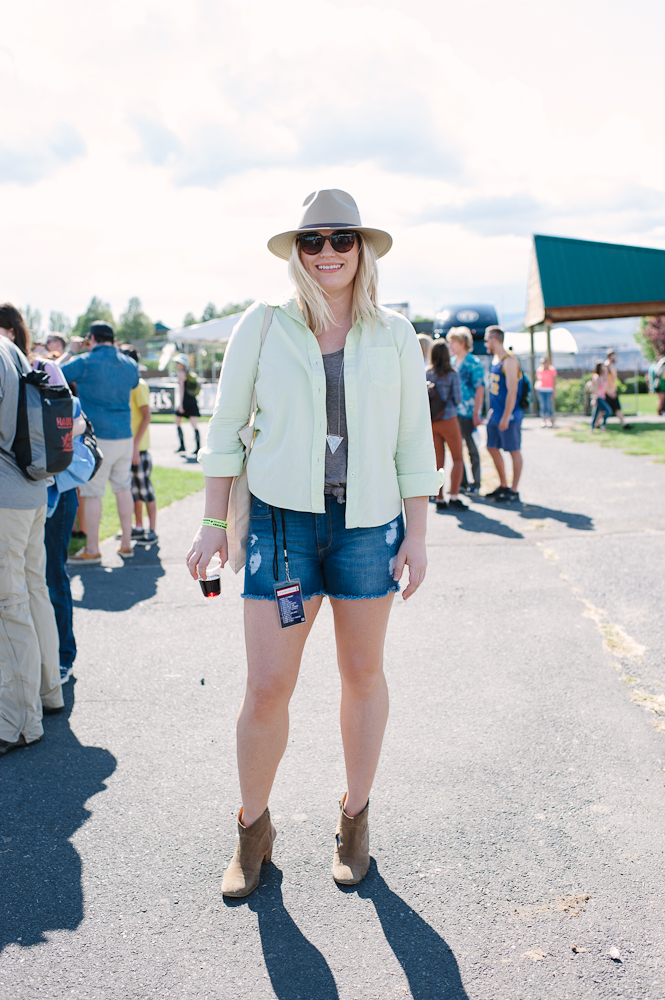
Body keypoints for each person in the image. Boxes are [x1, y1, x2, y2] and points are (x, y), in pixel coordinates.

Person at [186, 189, 438, 897]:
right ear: (295, 252)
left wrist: (417, 535)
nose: (327, 252)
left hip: (368, 526)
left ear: (362, 249)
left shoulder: (393, 333)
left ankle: (355, 820)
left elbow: (412, 440)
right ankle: (252, 830)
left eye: (341, 238)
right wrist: (212, 523)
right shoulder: (263, 325)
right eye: (312, 240)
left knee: (363, 675)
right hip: (280, 527)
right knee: (267, 687)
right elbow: (225, 428)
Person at [0, 305, 63, 756]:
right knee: (33, 590)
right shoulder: (12, 350)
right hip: (33, 487)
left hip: (6, 496)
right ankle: (47, 691)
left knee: (8, 606)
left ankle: (18, 723)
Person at [61, 321, 139, 563]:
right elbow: (134, 382)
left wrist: (72, 350)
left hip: (98, 437)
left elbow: (56, 375)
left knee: (93, 493)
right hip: (124, 434)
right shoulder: (129, 363)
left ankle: (93, 549)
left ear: (91, 339)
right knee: (123, 488)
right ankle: (126, 544)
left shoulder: (85, 361)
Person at [120, 345, 158, 543]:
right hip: (129, 447)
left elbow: (146, 416)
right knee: (133, 492)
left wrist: (135, 446)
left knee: (145, 491)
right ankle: (138, 527)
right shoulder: (127, 385)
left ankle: (152, 530)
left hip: (139, 449)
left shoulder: (139, 385)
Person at [484, 325, 523, 502]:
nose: (485, 344)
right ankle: (503, 485)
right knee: (491, 447)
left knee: (513, 450)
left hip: (510, 415)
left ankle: (513, 490)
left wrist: (506, 416)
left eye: (487, 340)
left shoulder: (509, 361)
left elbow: (512, 391)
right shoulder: (495, 359)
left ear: (494, 340)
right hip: (496, 413)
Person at [427, 340, 466, 510]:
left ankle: (439, 498)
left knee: (438, 462)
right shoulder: (453, 374)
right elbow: (458, 399)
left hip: (433, 422)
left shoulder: (427, 373)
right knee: (457, 458)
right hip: (449, 420)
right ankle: (454, 496)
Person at [447, 326, 484, 494]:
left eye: (453, 342)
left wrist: (477, 412)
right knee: (457, 450)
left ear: (462, 343)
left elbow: (479, 389)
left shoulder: (473, 362)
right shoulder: (452, 362)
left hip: (468, 413)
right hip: (454, 413)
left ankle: (476, 484)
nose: (450, 346)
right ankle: (462, 483)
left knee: (472, 449)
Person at [174, 354, 200, 455]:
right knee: (194, 425)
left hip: (185, 401)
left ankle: (182, 445)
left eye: (178, 363)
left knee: (177, 422)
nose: (176, 364)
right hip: (192, 400)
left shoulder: (181, 373)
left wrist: (181, 405)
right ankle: (198, 446)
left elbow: (182, 389)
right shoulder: (189, 373)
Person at [604, 349, 628, 428]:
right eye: (614, 356)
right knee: (603, 410)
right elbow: (605, 380)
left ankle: (624, 424)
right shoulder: (607, 366)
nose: (615, 357)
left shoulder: (611, 365)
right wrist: (609, 391)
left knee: (617, 408)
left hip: (612, 390)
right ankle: (596, 424)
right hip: (609, 391)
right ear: (610, 356)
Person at [535, 355, 557, 427]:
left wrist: (554, 392)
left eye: (544, 362)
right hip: (541, 390)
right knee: (542, 406)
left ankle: (551, 421)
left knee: (549, 406)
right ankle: (543, 421)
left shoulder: (552, 370)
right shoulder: (539, 370)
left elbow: (554, 382)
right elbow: (538, 379)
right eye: (542, 362)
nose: (543, 364)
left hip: (549, 390)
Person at [590, 362, 611, 431]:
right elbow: (595, 388)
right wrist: (594, 398)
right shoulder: (596, 376)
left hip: (602, 397)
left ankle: (592, 428)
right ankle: (602, 426)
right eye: (603, 366)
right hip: (598, 397)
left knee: (596, 413)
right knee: (608, 411)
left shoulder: (602, 376)